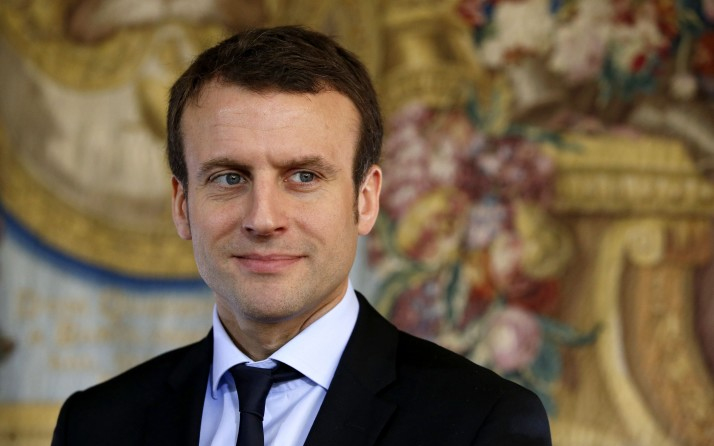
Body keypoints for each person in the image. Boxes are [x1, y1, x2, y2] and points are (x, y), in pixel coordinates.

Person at [51, 26, 552, 446]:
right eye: (229, 177)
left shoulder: (483, 425)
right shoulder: (94, 427)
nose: (263, 218)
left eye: (304, 176)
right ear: (182, 205)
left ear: (365, 200)